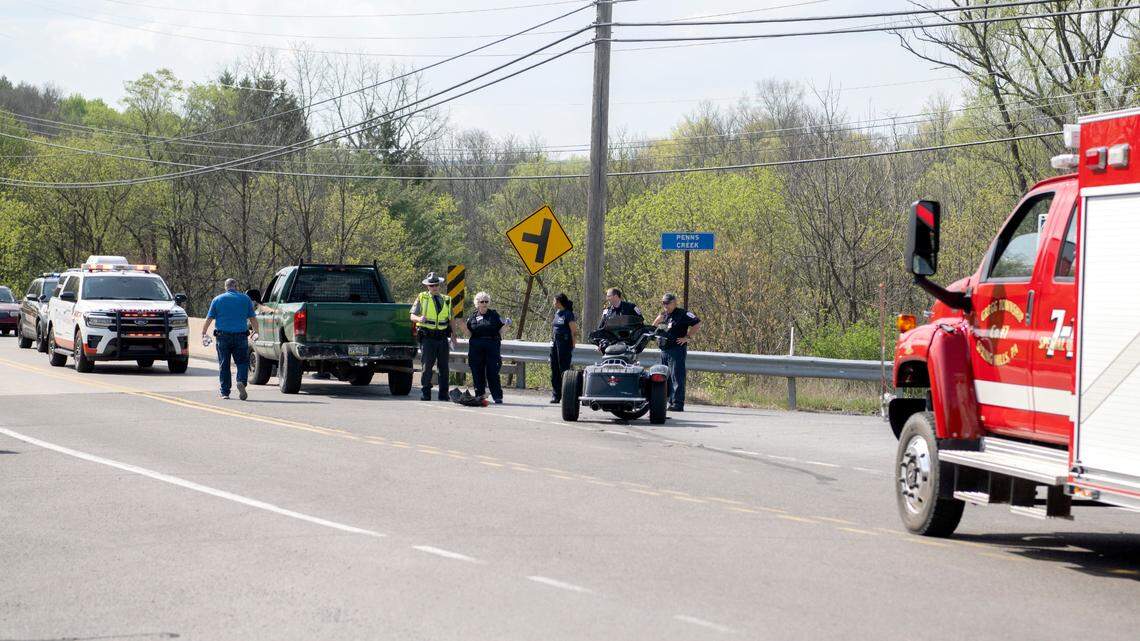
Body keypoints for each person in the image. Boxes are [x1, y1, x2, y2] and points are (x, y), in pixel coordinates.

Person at [201, 278, 256, 400]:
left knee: (224, 364)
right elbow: (253, 318)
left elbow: (209, 318)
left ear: (226, 287)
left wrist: (204, 332)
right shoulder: (245, 299)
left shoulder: (218, 299)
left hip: (223, 336)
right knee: (242, 362)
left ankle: (225, 392)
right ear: (236, 286)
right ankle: (241, 381)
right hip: (241, 336)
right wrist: (256, 332)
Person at [410, 271, 460, 401]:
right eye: (432, 285)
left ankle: (443, 394)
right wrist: (419, 318)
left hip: (442, 337)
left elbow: (451, 319)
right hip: (428, 337)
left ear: (440, 285)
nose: (434, 287)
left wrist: (454, 335)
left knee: (444, 367)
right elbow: (412, 316)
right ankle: (425, 393)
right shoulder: (422, 297)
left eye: (436, 285)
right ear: (427, 286)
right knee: (427, 367)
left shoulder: (447, 299)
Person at [652, 292, 701, 412]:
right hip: (664, 349)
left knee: (677, 377)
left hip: (676, 349)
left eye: (667, 303)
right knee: (664, 377)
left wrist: (687, 337)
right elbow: (653, 328)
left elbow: (697, 323)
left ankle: (678, 403)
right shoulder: (664, 315)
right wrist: (658, 320)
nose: (665, 305)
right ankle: (668, 401)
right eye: (663, 303)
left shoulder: (682, 314)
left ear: (674, 303)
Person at [465, 291, 507, 404]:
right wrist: (460, 325)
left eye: (486, 301)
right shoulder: (473, 316)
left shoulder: (494, 315)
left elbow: (501, 330)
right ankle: (480, 396)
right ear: (477, 303)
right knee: (477, 372)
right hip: (476, 347)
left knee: (492, 372)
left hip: (492, 345)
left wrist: (507, 325)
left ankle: (497, 396)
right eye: (482, 301)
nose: (484, 303)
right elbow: (468, 333)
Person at [549, 293, 578, 404]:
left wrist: (573, 344)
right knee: (554, 369)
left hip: (564, 344)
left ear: (559, 302)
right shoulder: (557, 313)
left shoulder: (568, 314)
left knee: (564, 369)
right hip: (555, 343)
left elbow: (574, 331)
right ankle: (556, 395)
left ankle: (566, 395)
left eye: (554, 301)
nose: (553, 302)